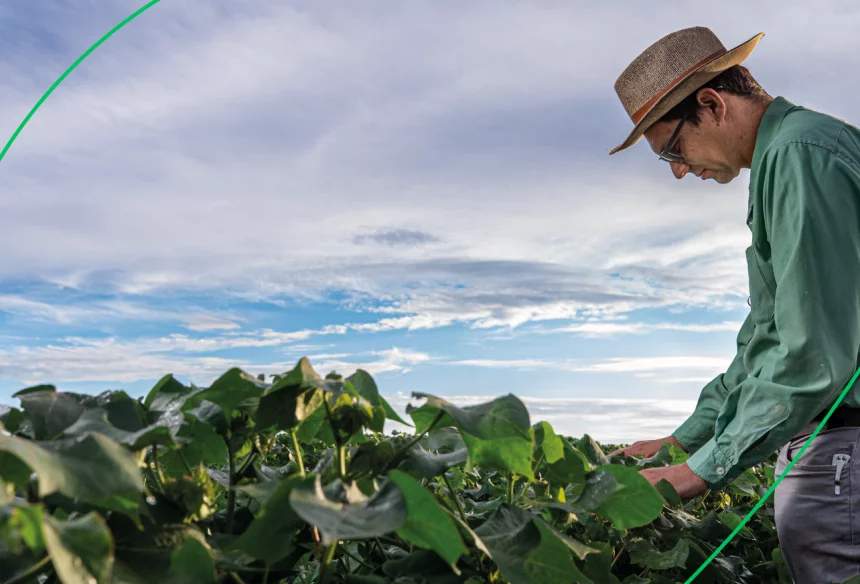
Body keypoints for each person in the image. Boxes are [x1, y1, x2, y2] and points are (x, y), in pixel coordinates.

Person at [606, 26, 860, 583]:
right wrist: (685, 438)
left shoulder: (799, 156)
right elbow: (765, 336)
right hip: (828, 437)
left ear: (712, 103)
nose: (677, 170)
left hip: (845, 438)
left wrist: (699, 472)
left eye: (672, 149)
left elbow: (812, 351)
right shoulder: (783, 159)